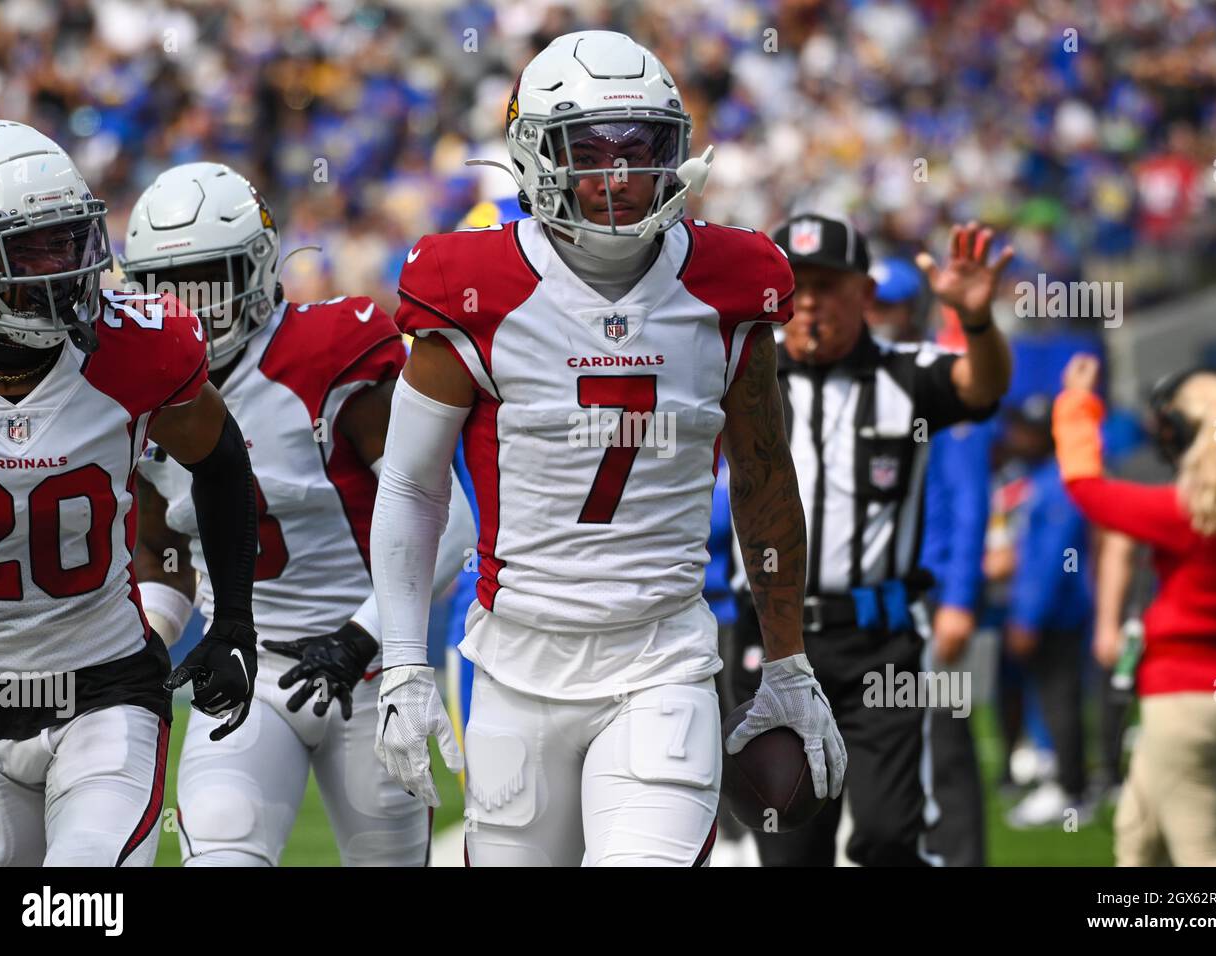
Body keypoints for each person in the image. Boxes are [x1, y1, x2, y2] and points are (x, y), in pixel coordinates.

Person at [371, 30, 845, 866]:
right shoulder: (470, 288)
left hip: (660, 660)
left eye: (642, 150)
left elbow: (764, 478)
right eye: (589, 153)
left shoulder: (731, 284)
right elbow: (411, 487)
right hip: (514, 668)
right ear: (535, 156)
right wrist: (406, 663)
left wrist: (788, 662)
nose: (620, 179)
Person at [125, 162, 475, 866]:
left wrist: (361, 637)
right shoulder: (142, 380)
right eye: (168, 288)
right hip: (245, 667)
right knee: (219, 854)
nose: (190, 307)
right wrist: (151, 642)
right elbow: (162, 547)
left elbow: (450, 523)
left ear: (255, 269)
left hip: (371, 669)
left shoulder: (329, 353)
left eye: (208, 282)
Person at [0, 121, 257, 866]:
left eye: (67, 240)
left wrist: (233, 624)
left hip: (103, 689)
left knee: (80, 898)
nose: (61, 268)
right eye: (27, 250)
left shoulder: (138, 348)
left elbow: (222, 463)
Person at [728, 215, 1012, 866]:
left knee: (889, 835)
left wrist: (975, 322)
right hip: (773, 639)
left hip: (877, 643)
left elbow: (984, 386)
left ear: (863, 291)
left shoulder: (905, 375)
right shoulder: (740, 376)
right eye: (794, 286)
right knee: (790, 844)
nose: (809, 304)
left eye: (827, 285)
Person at [1054, 354, 1216, 865]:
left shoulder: (1178, 510)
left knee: (1202, 855)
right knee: (1138, 830)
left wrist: (1076, 404)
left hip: (1184, 696)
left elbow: (1086, 489)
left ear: (1176, 431)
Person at [869, 258, 992, 866]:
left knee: (943, 745)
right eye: (870, 303)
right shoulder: (866, 380)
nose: (877, 316)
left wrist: (960, 601)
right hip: (879, 602)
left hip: (932, 596)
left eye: (888, 305)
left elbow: (970, 507)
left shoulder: (935, 380)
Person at [1001, 396, 1094, 828]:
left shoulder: (1057, 483)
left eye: (1027, 430)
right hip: (1045, 611)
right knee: (1048, 697)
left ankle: (1070, 788)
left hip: (1057, 615)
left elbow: (1054, 559)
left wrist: (1029, 616)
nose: (1017, 437)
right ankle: (1061, 778)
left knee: (1059, 700)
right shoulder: (1036, 478)